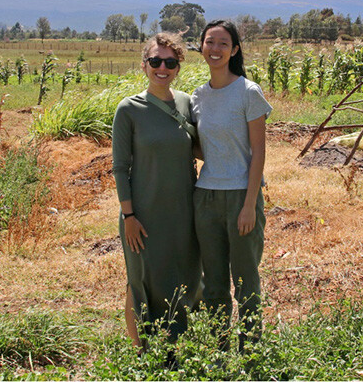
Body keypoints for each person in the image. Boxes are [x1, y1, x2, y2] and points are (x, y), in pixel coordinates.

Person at [112, 32, 202, 349]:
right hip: (144, 215)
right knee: (141, 282)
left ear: (178, 67)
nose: (162, 68)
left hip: (183, 211)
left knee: (186, 277)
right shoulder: (129, 109)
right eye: (155, 61)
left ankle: (179, 346)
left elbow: (203, 148)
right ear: (144, 65)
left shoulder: (187, 103)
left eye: (170, 62)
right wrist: (129, 216)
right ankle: (142, 355)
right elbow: (120, 167)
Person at [191, 19, 272, 351]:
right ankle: (217, 351)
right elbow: (201, 146)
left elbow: (259, 151)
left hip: (241, 195)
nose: (215, 49)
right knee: (213, 284)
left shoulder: (248, 92)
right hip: (206, 196)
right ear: (201, 47)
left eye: (223, 43)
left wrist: (250, 205)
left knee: (245, 281)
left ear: (234, 50)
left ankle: (250, 352)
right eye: (210, 42)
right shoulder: (198, 96)